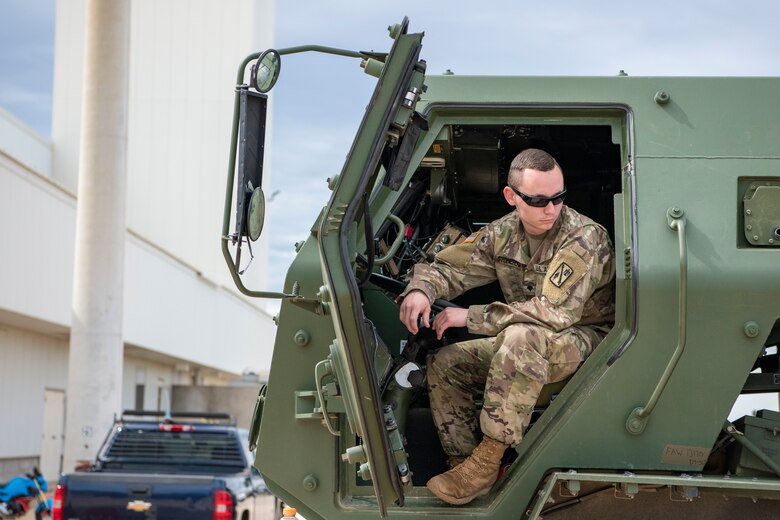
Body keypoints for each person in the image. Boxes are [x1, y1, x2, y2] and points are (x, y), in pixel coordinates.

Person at [399, 148, 615, 505]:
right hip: (531, 343)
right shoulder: (502, 234)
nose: (551, 209)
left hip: (584, 340)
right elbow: (449, 267)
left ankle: (487, 460)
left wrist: (470, 317)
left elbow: (553, 314)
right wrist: (422, 289)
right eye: (539, 200)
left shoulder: (583, 238)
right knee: (447, 362)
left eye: (559, 197)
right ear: (512, 197)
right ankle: (464, 466)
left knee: (519, 336)